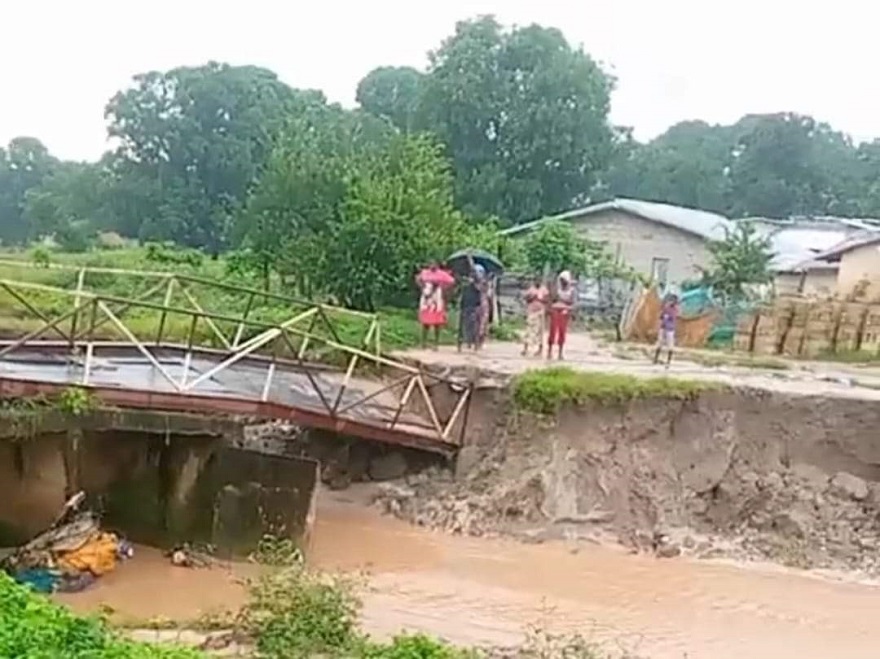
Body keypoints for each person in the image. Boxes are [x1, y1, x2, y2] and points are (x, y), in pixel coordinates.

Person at [416, 263, 449, 350]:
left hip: (437, 299)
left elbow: (450, 282)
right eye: (431, 264)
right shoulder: (425, 273)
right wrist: (422, 287)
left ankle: (436, 344)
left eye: (434, 264)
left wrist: (441, 286)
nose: (432, 266)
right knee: (425, 323)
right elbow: (418, 279)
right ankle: (423, 343)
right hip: (426, 298)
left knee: (437, 324)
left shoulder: (442, 274)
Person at [547, 271, 575, 360]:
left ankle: (560, 353)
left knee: (562, 332)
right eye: (561, 280)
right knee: (552, 330)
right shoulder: (557, 289)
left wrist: (568, 310)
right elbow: (551, 299)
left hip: (564, 312)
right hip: (555, 310)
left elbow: (574, 303)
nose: (563, 282)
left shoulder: (571, 290)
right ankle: (549, 351)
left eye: (564, 280)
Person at [458, 263, 484, 352]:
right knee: (464, 325)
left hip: (475, 306)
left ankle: (476, 344)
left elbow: (479, 289)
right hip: (465, 305)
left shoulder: (480, 283)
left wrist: (470, 260)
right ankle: (463, 343)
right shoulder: (466, 283)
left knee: (476, 326)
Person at [521, 275, 548, 357]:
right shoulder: (531, 289)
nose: (537, 282)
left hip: (540, 311)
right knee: (529, 330)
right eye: (536, 281)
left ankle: (539, 349)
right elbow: (526, 298)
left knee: (540, 331)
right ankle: (525, 348)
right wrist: (532, 297)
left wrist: (541, 299)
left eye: (539, 281)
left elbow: (547, 300)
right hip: (531, 311)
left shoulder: (544, 290)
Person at [653, 293, 679, 366]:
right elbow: (661, 317)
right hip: (663, 327)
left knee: (670, 344)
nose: (671, 302)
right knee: (659, 343)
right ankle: (655, 359)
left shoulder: (675, 309)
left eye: (673, 301)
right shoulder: (666, 307)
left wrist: (665, 316)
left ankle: (668, 361)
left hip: (670, 329)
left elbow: (672, 317)